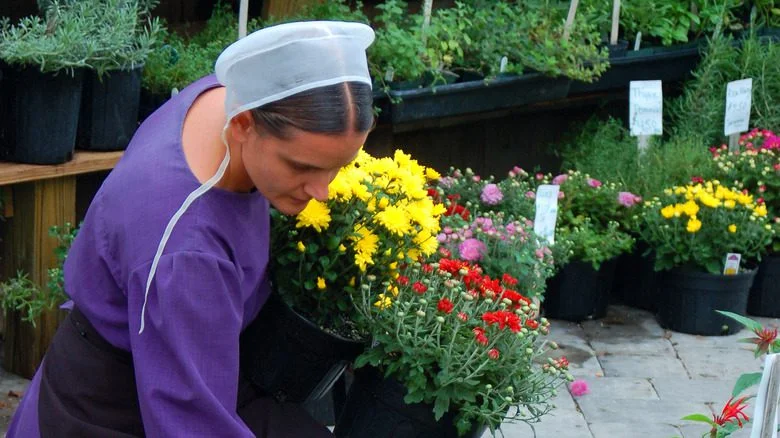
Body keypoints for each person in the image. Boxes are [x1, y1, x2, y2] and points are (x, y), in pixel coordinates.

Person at [6, 20, 376, 437]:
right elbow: (191, 424)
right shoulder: (186, 251)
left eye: (338, 166)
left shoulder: (218, 99)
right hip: (117, 408)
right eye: (302, 166)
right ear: (243, 125)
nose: (322, 191)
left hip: (187, 360)